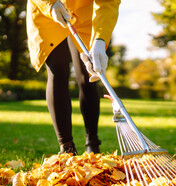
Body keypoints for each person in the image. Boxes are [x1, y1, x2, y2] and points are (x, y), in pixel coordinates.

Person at [26, 0, 121, 154]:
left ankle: (92, 143)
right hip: (47, 12)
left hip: (84, 15)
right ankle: (66, 147)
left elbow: (108, 3)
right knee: (58, 70)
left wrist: (100, 40)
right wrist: (50, 4)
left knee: (88, 74)